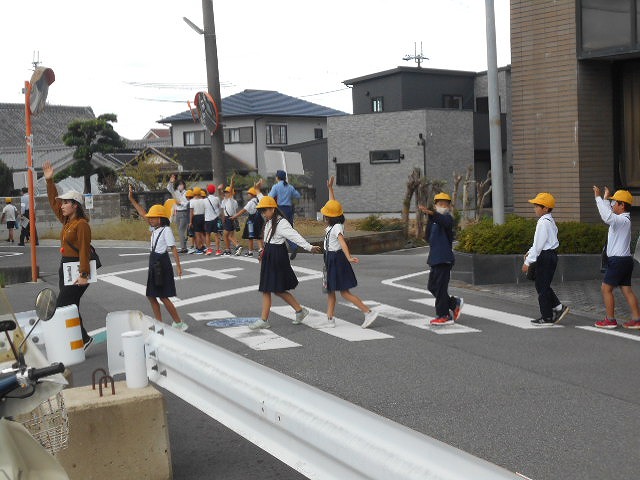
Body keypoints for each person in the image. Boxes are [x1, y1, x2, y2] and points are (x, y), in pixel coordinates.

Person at [43, 160, 94, 350]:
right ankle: (82, 339)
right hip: (64, 267)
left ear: (75, 206)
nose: (62, 205)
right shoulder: (66, 221)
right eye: (62, 203)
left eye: (66, 203)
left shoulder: (82, 224)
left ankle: (79, 338)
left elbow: (83, 249)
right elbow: (52, 202)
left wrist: (83, 274)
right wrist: (50, 181)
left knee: (64, 305)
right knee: (71, 305)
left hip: (77, 269)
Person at [249, 196, 321, 330]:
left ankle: (264, 320)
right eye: (261, 211)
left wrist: (308, 247)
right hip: (270, 255)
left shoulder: (281, 223)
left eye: (265, 210)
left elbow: (294, 236)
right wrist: (262, 254)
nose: (263, 213)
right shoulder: (270, 221)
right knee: (278, 290)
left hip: (277, 256)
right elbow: (267, 241)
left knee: (267, 289)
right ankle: (300, 311)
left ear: (272, 209)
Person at [321, 176, 378, 328]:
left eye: (326, 214)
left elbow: (342, 242)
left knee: (344, 292)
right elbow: (334, 206)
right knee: (330, 290)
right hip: (329, 259)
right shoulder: (334, 223)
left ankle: (368, 312)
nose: (324, 215)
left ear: (329, 216)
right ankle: (330, 319)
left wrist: (349, 257)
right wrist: (330, 189)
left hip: (336, 259)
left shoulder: (337, 227)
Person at [129, 185, 188, 331]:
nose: (150, 220)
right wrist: (132, 200)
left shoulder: (166, 230)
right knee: (151, 295)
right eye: (150, 218)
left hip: (162, 265)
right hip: (154, 264)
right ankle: (159, 322)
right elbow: (143, 213)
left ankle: (179, 322)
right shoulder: (154, 229)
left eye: (153, 218)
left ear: (161, 219)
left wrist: (179, 267)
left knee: (163, 296)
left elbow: (173, 249)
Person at [593, 186, 640, 329]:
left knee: (606, 289)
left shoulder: (622, 221)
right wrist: (606, 199)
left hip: (618, 261)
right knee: (626, 290)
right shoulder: (623, 219)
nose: (612, 205)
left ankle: (610, 320)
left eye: (615, 203)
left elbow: (607, 216)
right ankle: (637, 319)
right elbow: (609, 214)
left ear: (622, 205)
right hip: (625, 260)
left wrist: (598, 197)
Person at [521, 192, 569, 325]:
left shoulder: (543, 223)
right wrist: (529, 252)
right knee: (542, 285)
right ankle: (559, 308)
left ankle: (547, 316)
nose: (534, 208)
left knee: (541, 286)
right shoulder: (549, 220)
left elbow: (538, 245)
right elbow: (539, 244)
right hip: (550, 255)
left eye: (537, 206)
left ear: (545, 208)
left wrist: (527, 262)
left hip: (545, 256)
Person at [418, 192, 464, 326]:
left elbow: (443, 221)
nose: (442, 205)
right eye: (439, 203)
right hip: (435, 259)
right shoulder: (433, 221)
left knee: (440, 288)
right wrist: (430, 218)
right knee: (432, 286)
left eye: (445, 204)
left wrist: (432, 214)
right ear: (435, 204)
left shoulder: (448, 219)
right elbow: (427, 237)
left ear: (449, 206)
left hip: (444, 259)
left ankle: (444, 315)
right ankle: (453, 303)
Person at [269, 170, 301, 260]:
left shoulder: (276, 187)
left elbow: (270, 197)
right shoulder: (290, 187)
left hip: (280, 209)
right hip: (289, 209)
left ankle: (292, 246)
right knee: (289, 228)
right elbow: (298, 195)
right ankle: (292, 245)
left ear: (277, 177)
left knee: (280, 228)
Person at [231, 179, 264, 257]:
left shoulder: (250, 202)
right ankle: (261, 250)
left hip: (252, 221)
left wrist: (234, 216)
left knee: (250, 236)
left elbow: (242, 211)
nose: (248, 195)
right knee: (259, 236)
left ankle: (250, 252)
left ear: (252, 194)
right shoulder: (258, 200)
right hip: (259, 219)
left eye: (249, 193)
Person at [167, 175, 189, 253]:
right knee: (180, 230)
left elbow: (188, 203)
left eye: (182, 184)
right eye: (179, 185)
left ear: (184, 185)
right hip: (177, 213)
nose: (180, 186)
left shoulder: (187, 193)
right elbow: (169, 188)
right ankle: (184, 243)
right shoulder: (175, 192)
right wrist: (170, 182)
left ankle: (183, 248)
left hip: (184, 212)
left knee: (181, 230)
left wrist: (180, 203)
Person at [221, 175, 242, 256]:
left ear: (230, 193)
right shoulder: (230, 201)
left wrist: (231, 181)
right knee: (230, 235)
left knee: (227, 235)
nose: (225, 193)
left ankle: (236, 246)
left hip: (229, 218)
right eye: (225, 192)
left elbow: (230, 189)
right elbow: (235, 211)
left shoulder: (230, 199)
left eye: (227, 192)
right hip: (231, 218)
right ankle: (229, 249)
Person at [203, 184, 222, 255]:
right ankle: (217, 251)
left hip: (207, 219)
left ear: (207, 191)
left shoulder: (204, 200)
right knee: (216, 235)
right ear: (214, 191)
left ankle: (209, 250)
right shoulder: (217, 199)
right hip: (215, 219)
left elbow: (204, 209)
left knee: (207, 235)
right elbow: (219, 207)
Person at [189, 187, 206, 254]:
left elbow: (191, 212)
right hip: (203, 217)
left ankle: (199, 248)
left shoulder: (192, 201)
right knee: (202, 233)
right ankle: (206, 247)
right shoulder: (203, 200)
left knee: (197, 234)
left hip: (196, 217)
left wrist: (190, 222)